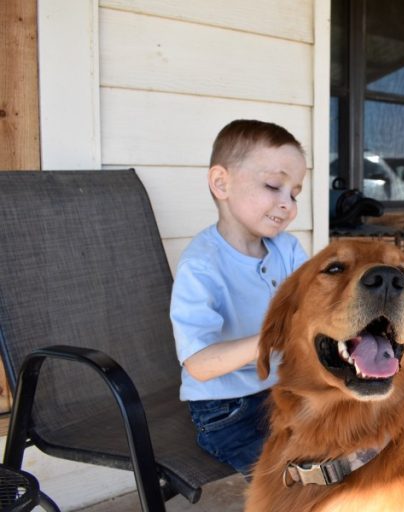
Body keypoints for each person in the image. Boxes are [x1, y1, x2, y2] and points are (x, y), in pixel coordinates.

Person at [170, 119, 308, 476]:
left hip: (285, 391)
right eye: (274, 186)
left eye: (294, 193)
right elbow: (199, 364)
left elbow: (314, 306)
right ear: (221, 183)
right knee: (294, 482)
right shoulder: (202, 265)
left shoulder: (287, 250)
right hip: (227, 410)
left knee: (358, 445)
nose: (287, 204)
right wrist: (270, 337)